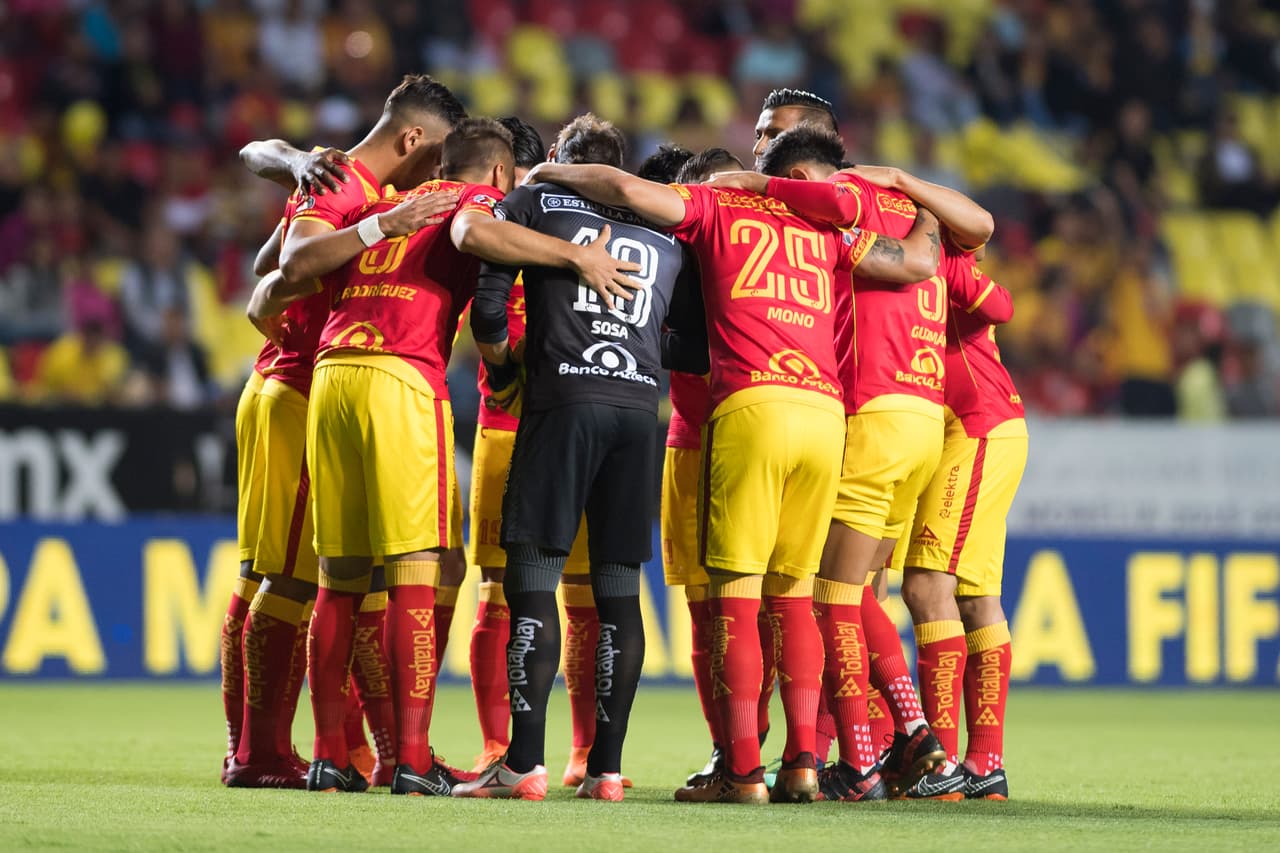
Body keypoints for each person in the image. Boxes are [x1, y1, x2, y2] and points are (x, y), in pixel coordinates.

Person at [520, 147, 936, 805]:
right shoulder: (824, 228)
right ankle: (801, 764)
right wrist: (924, 203)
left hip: (752, 406)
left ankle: (742, 771)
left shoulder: (714, 206)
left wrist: (550, 173)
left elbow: (622, 188)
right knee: (794, 597)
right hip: (824, 413)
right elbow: (914, 262)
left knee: (735, 600)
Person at [250, 116, 642, 795]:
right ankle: (410, 758)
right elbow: (471, 235)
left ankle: (329, 755)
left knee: (339, 578)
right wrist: (577, 257)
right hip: (403, 377)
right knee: (416, 573)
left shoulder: (381, 205)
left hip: (332, 374)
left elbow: (274, 278)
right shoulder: (472, 201)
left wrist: (270, 318)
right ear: (499, 173)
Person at [720, 122, 996, 801]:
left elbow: (885, 249)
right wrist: (910, 189)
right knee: (859, 589)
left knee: (831, 594)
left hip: (871, 413)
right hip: (923, 419)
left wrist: (752, 187)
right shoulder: (915, 211)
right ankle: (906, 742)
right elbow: (978, 236)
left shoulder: (841, 208)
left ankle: (874, 756)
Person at [222, 74, 466, 789]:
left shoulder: (343, 180)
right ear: (413, 138)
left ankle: (361, 749)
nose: (440, 174)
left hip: (299, 384)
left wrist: (293, 163)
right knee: (292, 579)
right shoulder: (347, 185)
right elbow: (293, 261)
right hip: (300, 388)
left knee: (326, 579)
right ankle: (258, 752)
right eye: (438, 156)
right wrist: (375, 223)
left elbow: (268, 261)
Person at [453, 115, 702, 803]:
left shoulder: (536, 200)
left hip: (562, 400)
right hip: (638, 413)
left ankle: (522, 763)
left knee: (531, 579)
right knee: (618, 592)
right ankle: (606, 770)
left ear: (561, 157)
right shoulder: (663, 229)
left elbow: (489, 311)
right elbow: (695, 340)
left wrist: (507, 370)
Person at [464, 116, 599, 785]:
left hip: (563, 422)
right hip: (511, 425)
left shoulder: (566, 224)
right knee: (503, 590)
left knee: (579, 594)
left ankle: (580, 752)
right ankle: (502, 746)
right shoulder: (498, 221)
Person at [891, 252, 1024, 801]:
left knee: (927, 587)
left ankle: (940, 764)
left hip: (976, 427)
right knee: (975, 597)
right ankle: (984, 764)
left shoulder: (938, 260)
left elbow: (1002, 305)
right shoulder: (915, 258)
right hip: (980, 429)